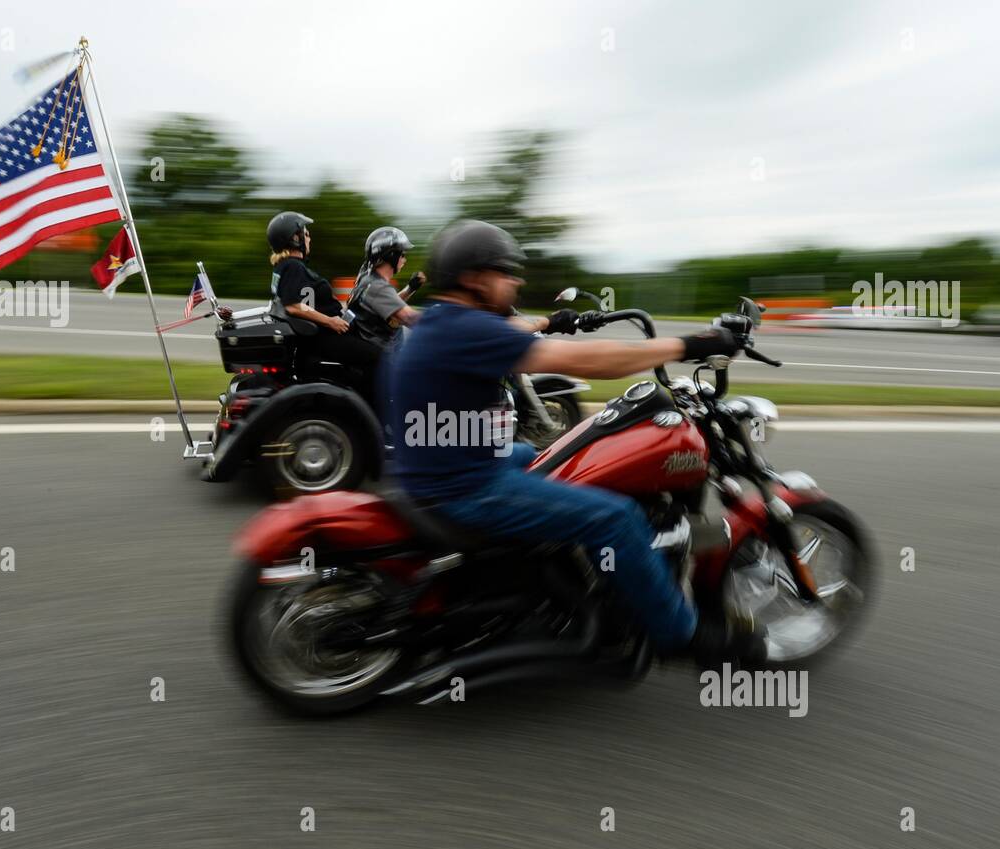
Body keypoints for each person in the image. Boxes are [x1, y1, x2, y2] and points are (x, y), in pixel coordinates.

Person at [387, 219, 762, 665]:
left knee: (558, 455)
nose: (517, 279)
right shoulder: (469, 331)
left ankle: (567, 574)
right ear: (475, 280)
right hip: (465, 485)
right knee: (616, 518)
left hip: (453, 462)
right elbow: (593, 363)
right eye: (506, 272)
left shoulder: (445, 321)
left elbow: (515, 330)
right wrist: (688, 344)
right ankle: (683, 636)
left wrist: (562, 321)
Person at [227, 211, 384, 411]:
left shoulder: (283, 267)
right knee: (379, 357)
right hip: (323, 338)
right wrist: (330, 321)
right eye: (306, 233)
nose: (309, 238)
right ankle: (374, 415)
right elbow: (293, 305)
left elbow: (303, 301)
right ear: (294, 238)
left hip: (317, 338)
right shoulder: (293, 267)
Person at [347, 226, 426, 351]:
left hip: (378, 350)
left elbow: (388, 305)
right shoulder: (377, 287)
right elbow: (409, 318)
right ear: (391, 255)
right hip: (386, 358)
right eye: (403, 254)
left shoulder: (367, 278)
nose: (405, 260)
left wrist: (410, 288)